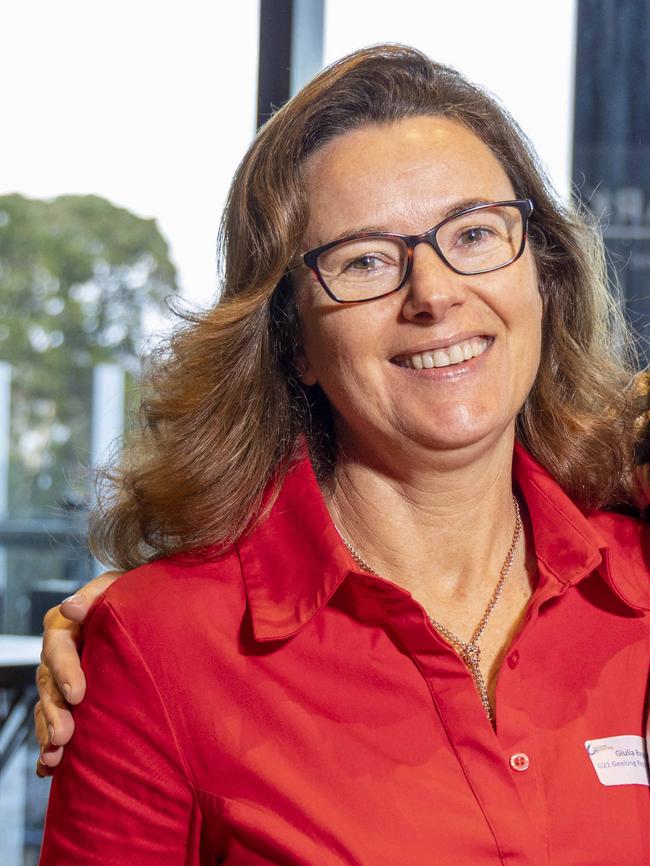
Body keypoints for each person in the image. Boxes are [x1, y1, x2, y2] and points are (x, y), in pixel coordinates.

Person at [37, 45, 649, 865]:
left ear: (543, 276)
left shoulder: (638, 581)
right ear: (292, 340)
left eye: (474, 233)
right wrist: (144, 631)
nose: (433, 295)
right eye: (364, 260)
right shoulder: (167, 647)